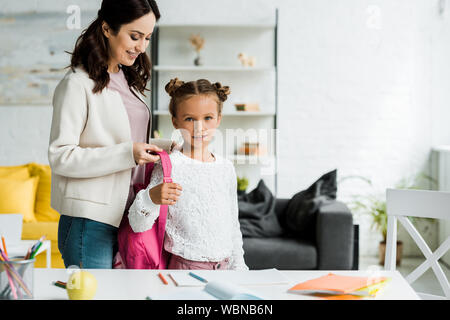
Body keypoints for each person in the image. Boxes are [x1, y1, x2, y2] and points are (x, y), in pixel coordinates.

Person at [48, 0, 164, 269]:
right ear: (107, 28)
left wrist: (163, 148)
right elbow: (61, 156)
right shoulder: (77, 84)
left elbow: (128, 139)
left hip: (129, 215)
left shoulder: (128, 78)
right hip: (89, 221)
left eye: (147, 38)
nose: (142, 47)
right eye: (134, 36)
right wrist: (129, 154)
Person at [128, 78, 249, 270]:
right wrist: (151, 199)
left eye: (207, 118)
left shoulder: (226, 168)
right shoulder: (170, 166)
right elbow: (137, 224)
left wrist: (239, 268)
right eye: (189, 119)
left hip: (226, 268)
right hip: (186, 269)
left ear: (218, 118)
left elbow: (233, 225)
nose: (199, 127)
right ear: (175, 121)